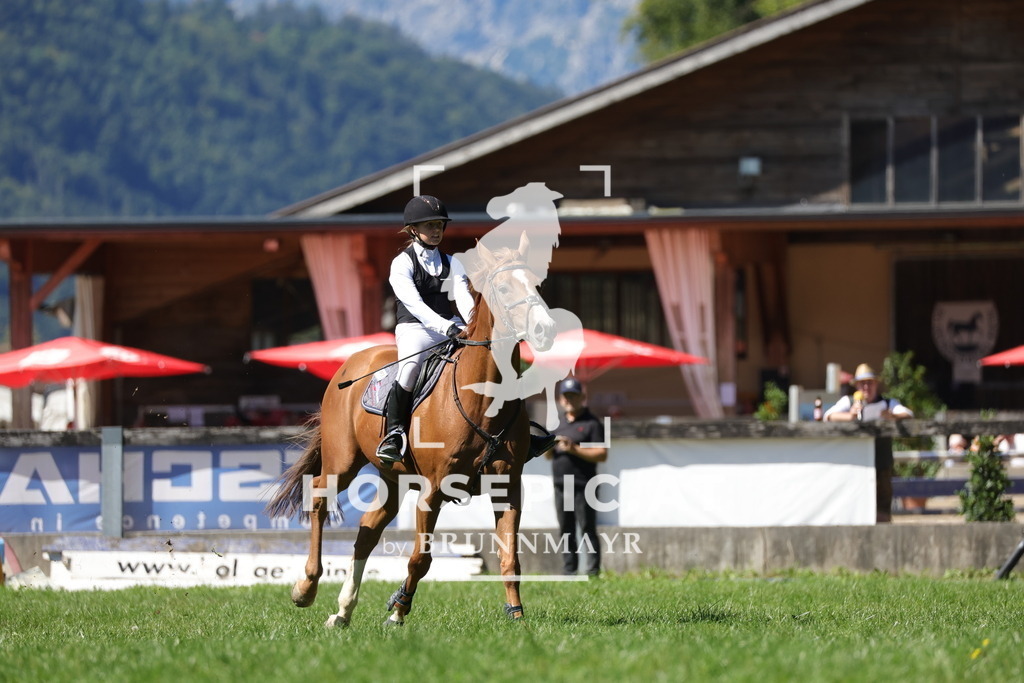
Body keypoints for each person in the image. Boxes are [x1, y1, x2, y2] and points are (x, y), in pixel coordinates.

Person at [377, 195, 475, 464]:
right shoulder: (402, 263)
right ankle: (394, 433)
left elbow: (464, 298)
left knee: (490, 355)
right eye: (429, 225)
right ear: (413, 230)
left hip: (450, 325)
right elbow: (415, 305)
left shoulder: (453, 262)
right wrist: (447, 327)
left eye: (439, 225)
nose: (436, 231)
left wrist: (473, 324)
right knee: (409, 368)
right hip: (414, 329)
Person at [823, 363, 913, 522]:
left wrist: (892, 416)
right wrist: (850, 416)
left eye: (870, 382)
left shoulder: (887, 403)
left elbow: (908, 413)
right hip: (856, 463)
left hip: (881, 461)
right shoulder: (848, 402)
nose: (866, 387)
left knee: (882, 503)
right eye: (862, 383)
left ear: (876, 384)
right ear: (857, 386)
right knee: (855, 504)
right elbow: (828, 416)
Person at [546, 377, 607, 576]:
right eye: (566, 396)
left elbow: (601, 454)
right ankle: (569, 570)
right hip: (561, 485)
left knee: (587, 528)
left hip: (584, 484)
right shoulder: (557, 423)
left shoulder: (592, 423)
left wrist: (573, 449)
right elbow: (548, 456)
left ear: (582, 397)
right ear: (561, 399)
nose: (570, 400)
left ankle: (592, 571)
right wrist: (549, 446)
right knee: (565, 529)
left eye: (574, 395)